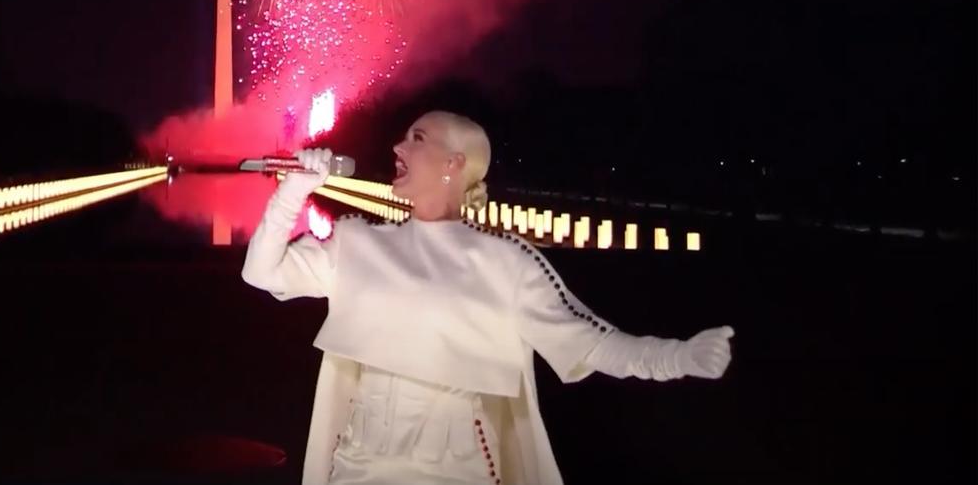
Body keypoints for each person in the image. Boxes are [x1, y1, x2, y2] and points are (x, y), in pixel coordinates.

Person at [243, 110, 734, 485]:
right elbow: (261, 271)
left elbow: (591, 344)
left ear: (453, 164)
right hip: (359, 469)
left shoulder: (505, 261)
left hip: (455, 472)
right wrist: (293, 192)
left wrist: (678, 357)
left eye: (417, 138)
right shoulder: (358, 243)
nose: (398, 145)